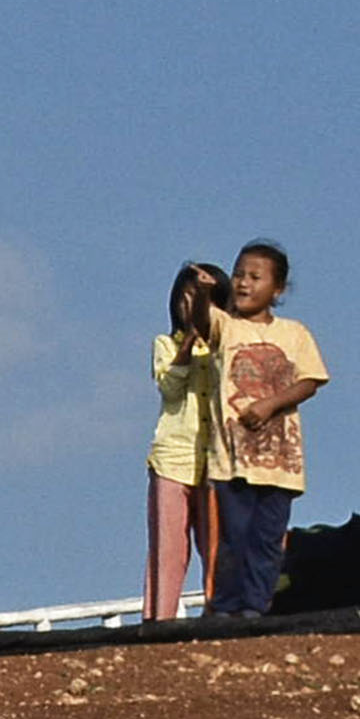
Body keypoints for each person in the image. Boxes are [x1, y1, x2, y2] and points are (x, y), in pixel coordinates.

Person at [203, 241, 325, 616]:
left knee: (268, 538)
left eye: (255, 277)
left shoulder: (294, 333)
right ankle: (226, 607)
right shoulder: (225, 326)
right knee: (234, 536)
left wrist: (271, 404)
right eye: (239, 274)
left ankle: (256, 607)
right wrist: (204, 286)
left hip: (280, 462)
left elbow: (310, 380)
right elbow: (198, 314)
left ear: (278, 289)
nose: (244, 283)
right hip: (233, 458)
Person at [148, 260, 227, 619]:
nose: (190, 307)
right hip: (173, 459)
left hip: (216, 458)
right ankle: (158, 620)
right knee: (168, 549)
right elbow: (170, 388)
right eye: (185, 298)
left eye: (199, 299)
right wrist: (190, 341)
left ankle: (218, 616)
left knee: (216, 547)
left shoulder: (225, 346)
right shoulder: (165, 344)